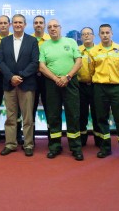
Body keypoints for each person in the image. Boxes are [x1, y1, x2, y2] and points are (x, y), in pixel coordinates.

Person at [39, 19, 84, 161]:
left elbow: (79, 61)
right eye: (50, 27)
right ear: (47, 30)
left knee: (73, 114)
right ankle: (54, 147)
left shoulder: (70, 42)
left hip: (70, 82)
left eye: (55, 26)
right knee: (53, 115)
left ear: (60, 28)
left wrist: (67, 77)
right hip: (52, 84)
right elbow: (41, 66)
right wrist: (55, 78)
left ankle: (76, 148)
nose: (53, 29)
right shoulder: (44, 45)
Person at [89, 24, 119, 162]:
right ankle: (105, 148)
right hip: (99, 88)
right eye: (102, 33)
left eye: (107, 32)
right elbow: (91, 70)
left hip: (116, 88)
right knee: (101, 119)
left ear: (112, 33)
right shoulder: (94, 51)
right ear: (99, 35)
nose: (105, 35)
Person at [0, 14, 39, 157]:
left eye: (20, 22)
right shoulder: (4, 41)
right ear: (11, 25)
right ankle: (10, 144)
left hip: (26, 84)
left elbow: (35, 63)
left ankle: (28, 144)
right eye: (15, 22)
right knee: (10, 117)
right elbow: (1, 62)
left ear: (25, 24)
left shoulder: (32, 41)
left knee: (27, 118)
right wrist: (11, 77)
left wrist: (20, 76)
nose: (17, 25)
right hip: (9, 85)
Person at [78, 27, 100, 147]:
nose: (86, 36)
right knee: (82, 114)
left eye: (89, 34)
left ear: (93, 36)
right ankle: (82, 140)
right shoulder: (77, 50)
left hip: (96, 86)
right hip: (80, 86)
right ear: (81, 37)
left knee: (98, 113)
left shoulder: (99, 50)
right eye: (84, 34)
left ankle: (99, 140)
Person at [31, 15, 51, 141]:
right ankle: (29, 139)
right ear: (33, 25)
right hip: (31, 78)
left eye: (41, 22)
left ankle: (52, 138)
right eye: (36, 22)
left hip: (47, 78)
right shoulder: (27, 40)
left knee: (50, 108)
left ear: (44, 25)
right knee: (30, 109)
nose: (38, 24)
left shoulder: (51, 40)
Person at [0, 15, 12, 143]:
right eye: (1, 23)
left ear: (9, 25)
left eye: (5, 23)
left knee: (15, 106)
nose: (3, 25)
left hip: (13, 76)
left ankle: (16, 134)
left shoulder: (15, 38)